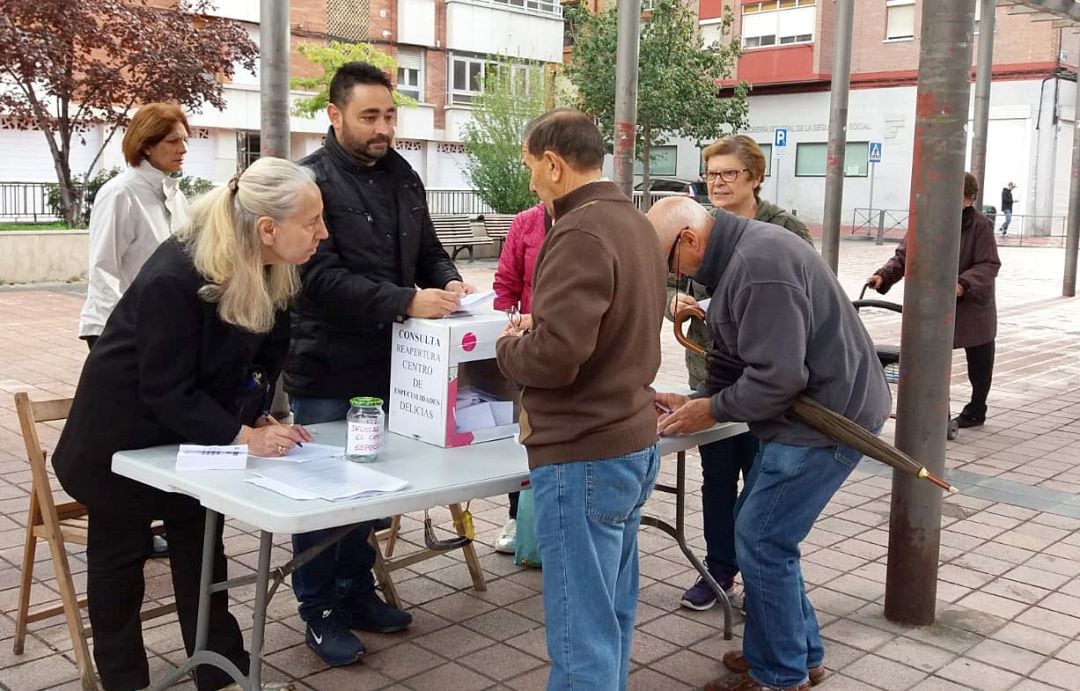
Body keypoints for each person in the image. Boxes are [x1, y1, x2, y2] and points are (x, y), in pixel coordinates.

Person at [50, 157, 325, 691]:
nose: (323, 231)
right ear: (268, 228)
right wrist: (244, 436)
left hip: (190, 431)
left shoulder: (273, 266)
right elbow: (165, 388)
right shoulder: (176, 275)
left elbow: (264, 353)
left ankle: (219, 669)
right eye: (312, 221)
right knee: (120, 560)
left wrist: (258, 412)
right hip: (119, 436)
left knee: (202, 546)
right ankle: (124, 680)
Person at [647, 197, 891, 691]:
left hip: (827, 421)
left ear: (690, 240)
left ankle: (780, 674)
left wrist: (711, 409)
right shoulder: (741, 257)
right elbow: (736, 358)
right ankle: (798, 654)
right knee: (764, 537)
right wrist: (698, 397)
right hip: (816, 412)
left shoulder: (758, 265)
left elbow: (778, 377)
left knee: (762, 539)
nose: (675, 277)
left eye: (670, 264)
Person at [283, 61, 474, 667]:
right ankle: (318, 607)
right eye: (370, 116)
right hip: (324, 367)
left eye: (390, 115)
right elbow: (318, 278)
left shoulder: (403, 176)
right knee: (322, 494)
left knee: (370, 487)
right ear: (334, 115)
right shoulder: (307, 183)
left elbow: (428, 248)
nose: (383, 128)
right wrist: (404, 301)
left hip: (390, 366)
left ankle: (357, 590)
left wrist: (447, 280)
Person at [496, 109, 666, 690]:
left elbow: (555, 356)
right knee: (608, 621)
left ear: (553, 163)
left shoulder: (579, 230)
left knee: (580, 638)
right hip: (626, 440)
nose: (531, 184)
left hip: (582, 452)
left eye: (531, 169)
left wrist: (510, 348)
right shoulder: (635, 221)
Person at [673, 135, 814, 612]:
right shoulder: (700, 226)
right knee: (716, 475)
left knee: (761, 478)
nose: (718, 182)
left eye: (729, 173)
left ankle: (761, 578)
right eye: (711, 173)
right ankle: (718, 570)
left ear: (755, 177)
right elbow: (668, 276)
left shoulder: (782, 228)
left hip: (767, 375)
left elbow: (804, 295)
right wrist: (670, 300)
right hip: (711, 367)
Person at [869, 172, 1000, 429]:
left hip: (971, 305)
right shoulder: (925, 221)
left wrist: (963, 283)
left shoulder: (980, 225)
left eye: (960, 198)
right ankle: (939, 412)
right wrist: (882, 277)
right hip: (932, 304)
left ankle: (977, 408)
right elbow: (904, 257)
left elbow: (989, 263)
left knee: (980, 361)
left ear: (970, 199)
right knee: (934, 361)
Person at [79, 102, 191, 350]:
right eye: (173, 141)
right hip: (122, 330)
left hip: (164, 326)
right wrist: (119, 333)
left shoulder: (176, 196)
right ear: (147, 145)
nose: (183, 149)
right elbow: (104, 267)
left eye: (184, 140)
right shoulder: (120, 193)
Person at [491, 200, 551, 554]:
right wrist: (508, 325)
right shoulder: (527, 222)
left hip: (568, 341)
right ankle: (518, 515)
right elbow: (506, 280)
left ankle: (550, 519)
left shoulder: (589, 220)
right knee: (523, 429)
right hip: (529, 341)